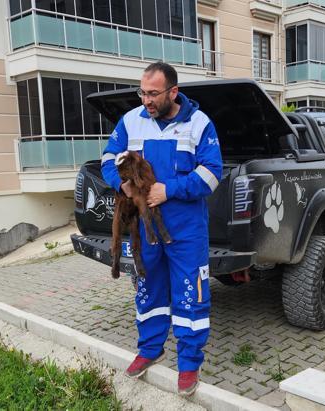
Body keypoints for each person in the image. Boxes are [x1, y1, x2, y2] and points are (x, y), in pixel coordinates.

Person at [100, 61, 222, 395]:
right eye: (142, 93)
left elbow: (212, 173)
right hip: (145, 230)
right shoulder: (131, 121)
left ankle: (189, 365)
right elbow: (109, 158)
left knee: (191, 295)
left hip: (186, 229)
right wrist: (121, 184)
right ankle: (150, 349)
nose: (146, 100)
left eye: (153, 94)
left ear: (173, 92)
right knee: (148, 288)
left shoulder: (199, 124)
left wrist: (170, 190)